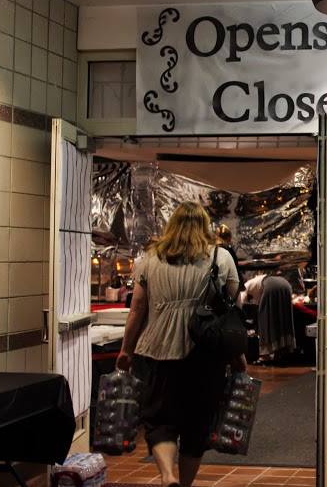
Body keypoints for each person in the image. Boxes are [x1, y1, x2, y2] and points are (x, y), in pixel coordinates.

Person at [116, 201, 244, 487]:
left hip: (156, 350)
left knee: (159, 420)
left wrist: (126, 349)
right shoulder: (220, 257)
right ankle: (184, 483)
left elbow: (137, 309)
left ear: (171, 225)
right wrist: (238, 355)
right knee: (197, 425)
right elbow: (233, 311)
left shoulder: (150, 258)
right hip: (205, 353)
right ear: (205, 226)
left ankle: (167, 475)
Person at [215, 223, 244, 290]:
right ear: (229, 238)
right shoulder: (227, 250)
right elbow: (234, 267)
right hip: (229, 285)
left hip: (219, 285)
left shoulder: (214, 250)